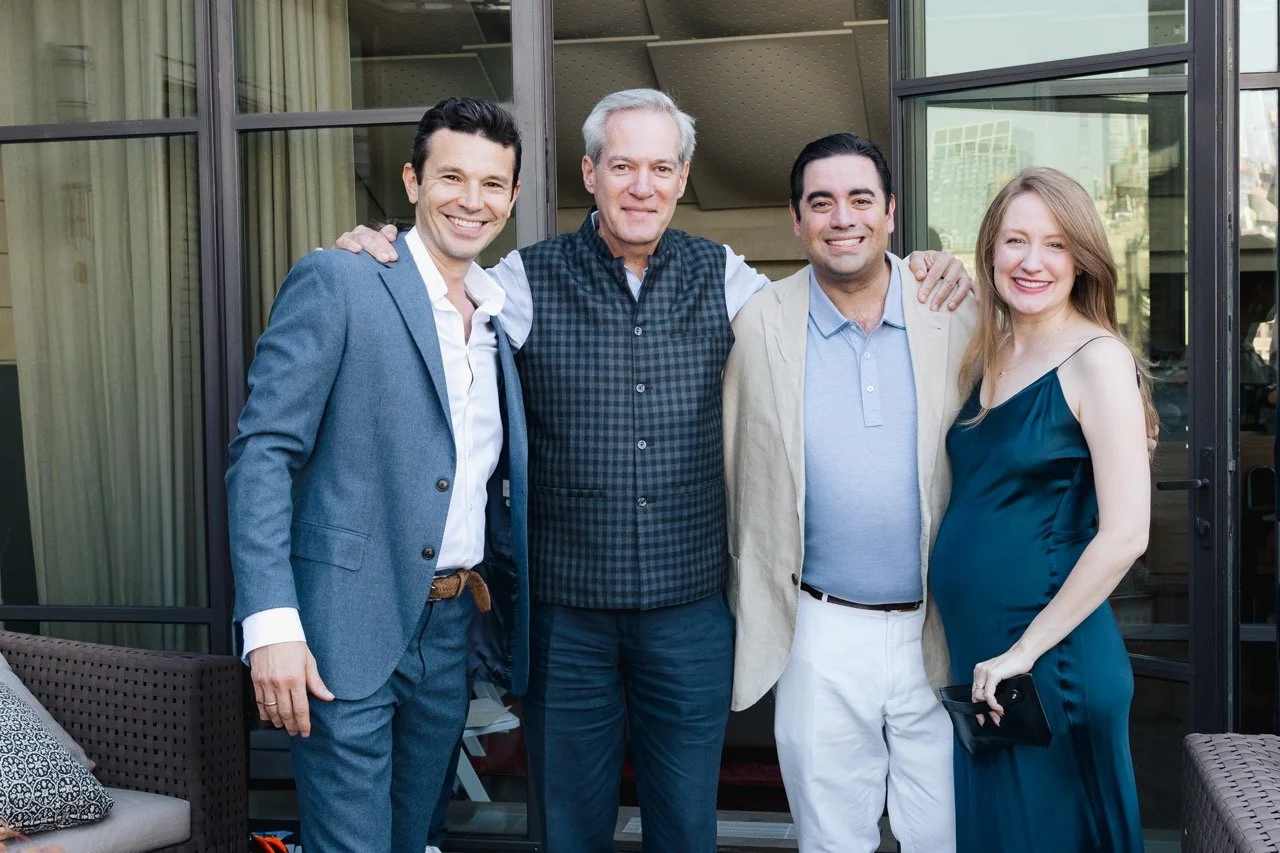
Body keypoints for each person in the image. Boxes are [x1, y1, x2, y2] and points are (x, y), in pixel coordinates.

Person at [334, 89, 970, 853]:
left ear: (682, 177)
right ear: (590, 173)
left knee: (685, 828)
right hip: (566, 618)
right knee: (571, 830)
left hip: (689, 614)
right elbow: (428, 293)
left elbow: (830, 295)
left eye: (661, 168)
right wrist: (378, 249)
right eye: (623, 166)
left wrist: (922, 269)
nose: (642, 186)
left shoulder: (726, 276)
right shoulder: (523, 280)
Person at [225, 97, 529, 853]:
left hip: (449, 627)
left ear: (513, 197)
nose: (472, 200)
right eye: (451, 177)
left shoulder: (501, 312)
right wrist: (271, 624)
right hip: (343, 624)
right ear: (413, 181)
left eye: (492, 184)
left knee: (415, 837)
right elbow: (264, 451)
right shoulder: (343, 280)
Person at [724, 133, 977, 853]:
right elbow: (731, 461)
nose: (842, 218)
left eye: (861, 199)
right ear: (796, 219)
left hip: (941, 626)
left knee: (946, 835)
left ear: (891, 212)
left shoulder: (956, 310)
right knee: (832, 838)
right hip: (818, 629)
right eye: (821, 202)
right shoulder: (757, 322)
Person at [929, 166, 1155, 853]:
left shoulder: (1097, 359)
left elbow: (1126, 534)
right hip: (986, 660)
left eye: (1056, 244)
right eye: (1016, 240)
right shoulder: (989, 353)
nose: (1033, 261)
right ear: (990, 250)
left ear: (1082, 258)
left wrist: (1023, 652)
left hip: (1049, 662)